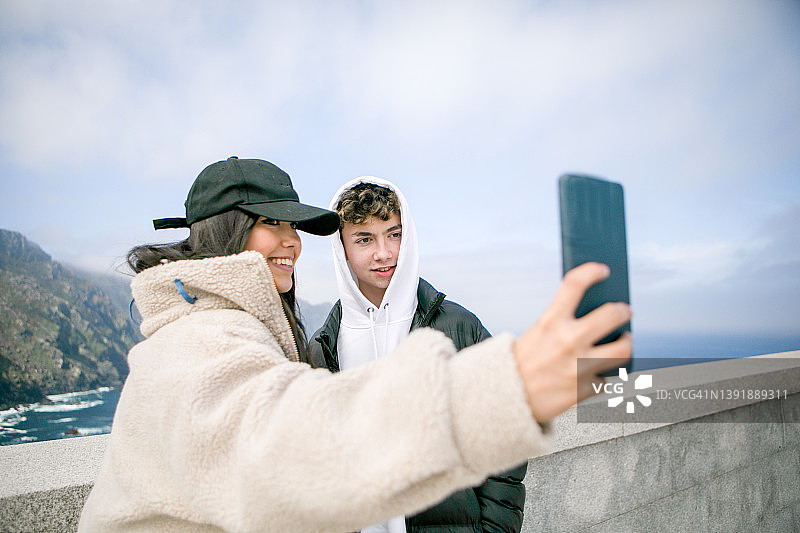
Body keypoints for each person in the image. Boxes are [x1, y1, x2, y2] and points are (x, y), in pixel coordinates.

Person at [78, 156, 632, 533]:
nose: (293, 242)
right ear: (227, 229)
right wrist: (510, 384)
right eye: (272, 223)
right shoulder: (203, 338)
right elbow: (294, 448)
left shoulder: (214, 322)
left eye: (295, 226)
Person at [310, 178, 528, 533]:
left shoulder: (458, 326)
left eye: (393, 234)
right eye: (365, 239)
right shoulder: (324, 347)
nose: (384, 252)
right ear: (342, 249)